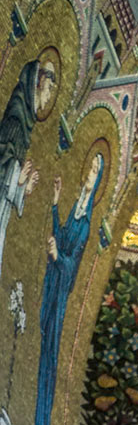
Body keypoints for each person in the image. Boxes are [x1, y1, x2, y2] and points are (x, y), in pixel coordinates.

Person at [24, 151, 105, 425]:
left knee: (48, 369)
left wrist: (59, 257)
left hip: (61, 301)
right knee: (40, 362)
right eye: (90, 165)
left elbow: (72, 263)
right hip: (50, 288)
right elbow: (58, 235)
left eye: (96, 170)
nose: (89, 172)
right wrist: (56, 203)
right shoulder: (76, 209)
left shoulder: (86, 224)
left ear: (99, 179)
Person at [0, 55, 54, 298]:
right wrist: (16, 177)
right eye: (50, 87)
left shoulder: (27, 121)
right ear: (38, 82)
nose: (50, 94)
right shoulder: (17, 114)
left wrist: (23, 188)